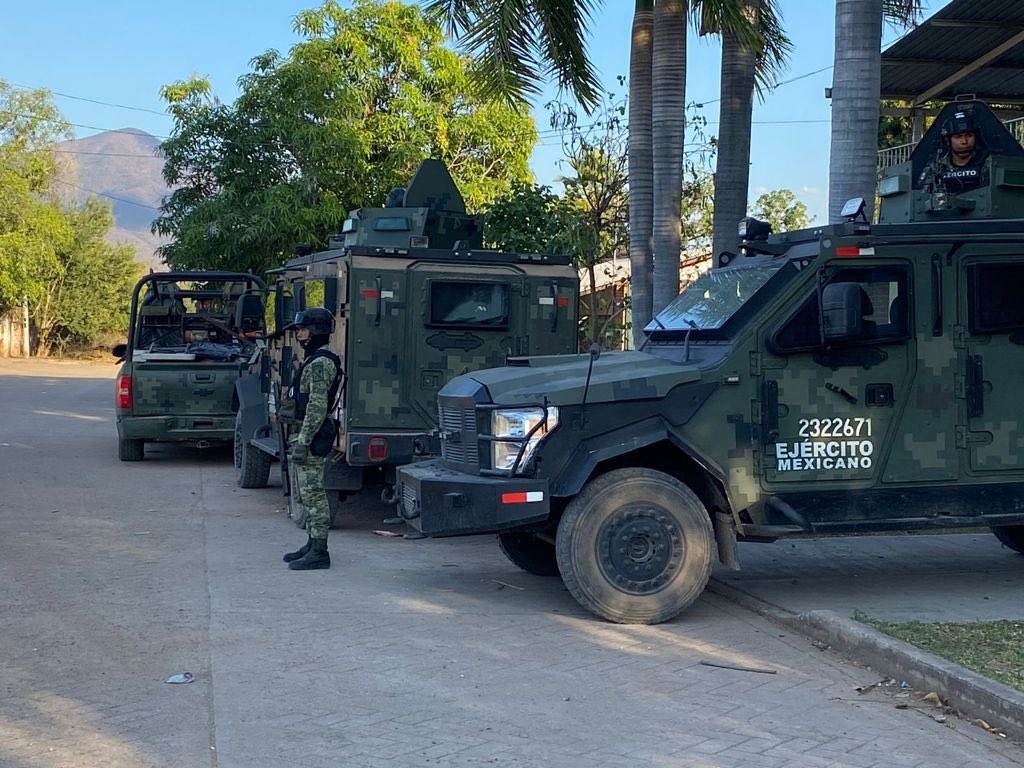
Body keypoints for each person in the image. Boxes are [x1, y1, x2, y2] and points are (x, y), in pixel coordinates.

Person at [281, 308, 343, 571]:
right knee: (307, 495)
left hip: (311, 437)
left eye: (303, 329)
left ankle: (320, 551)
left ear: (316, 331)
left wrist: (304, 441)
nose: (299, 335)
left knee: (315, 495)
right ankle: (312, 542)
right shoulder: (314, 360)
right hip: (303, 433)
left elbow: (317, 407)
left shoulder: (320, 364)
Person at [922, 111, 989, 194]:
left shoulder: (988, 163)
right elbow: (923, 196)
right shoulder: (937, 166)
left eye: (969, 135)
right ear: (947, 140)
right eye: (958, 137)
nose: (964, 141)